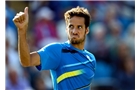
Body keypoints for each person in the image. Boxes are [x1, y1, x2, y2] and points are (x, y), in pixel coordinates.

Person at [13, 6, 96, 90]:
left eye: (79, 27)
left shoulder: (91, 59)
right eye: (71, 26)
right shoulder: (57, 50)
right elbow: (26, 61)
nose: (74, 31)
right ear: (66, 29)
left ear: (87, 30)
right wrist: (22, 31)